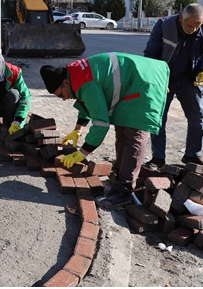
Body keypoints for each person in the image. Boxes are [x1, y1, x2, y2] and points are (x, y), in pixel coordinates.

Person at [40, 53, 169, 208]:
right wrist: (77, 130)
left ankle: (124, 190)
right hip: (134, 81)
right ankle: (120, 174)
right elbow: (88, 103)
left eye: (60, 94)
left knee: (134, 134)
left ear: (65, 83)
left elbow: (101, 123)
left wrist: (83, 152)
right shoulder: (75, 75)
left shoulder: (83, 81)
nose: (63, 99)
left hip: (146, 81)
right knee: (122, 127)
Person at [142, 3, 203, 170]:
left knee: (198, 117)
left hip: (189, 79)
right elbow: (150, 55)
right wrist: (157, 80)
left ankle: (192, 155)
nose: (194, 29)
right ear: (181, 18)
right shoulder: (163, 25)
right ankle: (158, 158)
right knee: (158, 119)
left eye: (198, 26)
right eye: (190, 25)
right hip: (164, 78)